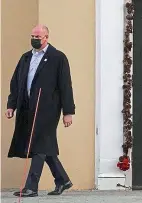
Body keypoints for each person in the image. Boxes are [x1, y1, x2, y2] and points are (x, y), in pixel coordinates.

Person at [5, 24, 75, 197]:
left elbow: (66, 86)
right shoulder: (25, 57)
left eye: (38, 37)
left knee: (38, 145)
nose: (35, 39)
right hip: (27, 108)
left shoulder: (58, 57)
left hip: (48, 109)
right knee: (45, 146)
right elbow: (16, 83)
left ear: (46, 37)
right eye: (33, 36)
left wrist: (68, 112)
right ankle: (62, 180)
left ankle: (31, 187)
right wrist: (11, 105)